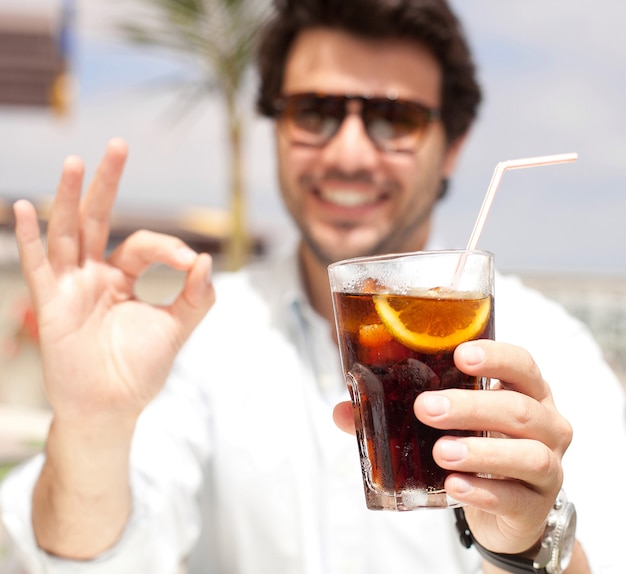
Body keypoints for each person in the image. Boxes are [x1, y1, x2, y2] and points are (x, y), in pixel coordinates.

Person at [1, 0, 625, 572]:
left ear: (453, 146)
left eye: (393, 118)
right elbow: (89, 556)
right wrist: (90, 429)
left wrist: (528, 545)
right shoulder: (198, 333)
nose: (349, 152)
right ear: (276, 127)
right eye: (316, 113)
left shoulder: (546, 354)